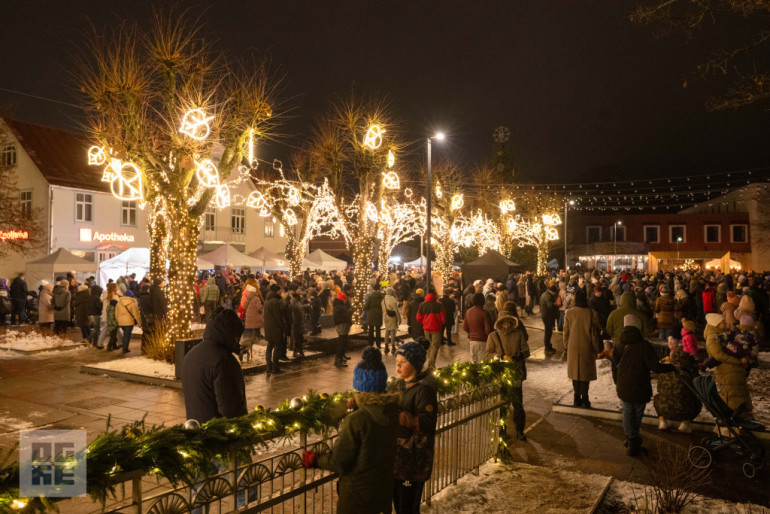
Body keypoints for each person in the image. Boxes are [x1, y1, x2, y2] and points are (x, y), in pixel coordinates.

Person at [302, 347, 399, 514]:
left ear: (359, 385)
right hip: (382, 494)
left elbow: (339, 461)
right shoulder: (393, 411)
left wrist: (315, 460)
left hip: (356, 498)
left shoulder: (357, 420)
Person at [611, 314, 675, 457]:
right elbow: (655, 367)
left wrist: (617, 381)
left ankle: (630, 437)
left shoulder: (619, 343)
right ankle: (633, 441)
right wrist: (671, 367)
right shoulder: (644, 345)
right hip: (640, 385)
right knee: (638, 412)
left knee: (627, 410)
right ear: (638, 328)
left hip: (624, 383)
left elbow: (614, 365)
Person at [392, 341, 438, 513]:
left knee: (408, 508)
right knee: (399, 505)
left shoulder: (424, 390)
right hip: (399, 460)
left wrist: (404, 418)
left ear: (415, 364)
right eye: (397, 362)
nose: (398, 366)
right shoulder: (400, 386)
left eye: (403, 362)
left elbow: (427, 420)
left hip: (413, 463)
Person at [181, 308, 247, 423]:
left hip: (196, 427)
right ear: (231, 334)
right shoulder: (223, 360)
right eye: (237, 337)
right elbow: (231, 409)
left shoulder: (191, 354)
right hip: (219, 429)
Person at [485, 312, 530, 440]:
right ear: (499, 324)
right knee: (502, 404)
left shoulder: (518, 334)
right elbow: (487, 354)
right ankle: (502, 430)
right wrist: (501, 357)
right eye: (504, 323)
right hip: (501, 375)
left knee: (518, 404)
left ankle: (520, 430)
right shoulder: (493, 336)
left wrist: (516, 357)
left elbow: (526, 351)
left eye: (509, 322)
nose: (507, 325)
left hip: (515, 374)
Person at [704, 313, 753, 417]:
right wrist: (738, 361)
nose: (726, 323)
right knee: (731, 394)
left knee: (739, 391)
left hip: (733, 370)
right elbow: (719, 355)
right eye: (723, 322)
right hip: (726, 371)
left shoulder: (724, 334)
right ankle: (732, 416)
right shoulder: (713, 337)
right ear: (716, 324)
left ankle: (742, 414)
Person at [654, 338, 702, 433]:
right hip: (683, 410)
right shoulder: (689, 374)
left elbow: (659, 389)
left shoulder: (665, 371)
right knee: (697, 402)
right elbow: (695, 391)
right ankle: (685, 423)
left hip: (664, 408)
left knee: (657, 398)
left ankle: (662, 421)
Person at [564, 289, 602, 408]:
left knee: (575, 373)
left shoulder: (569, 313)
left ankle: (576, 398)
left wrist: (566, 345)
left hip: (573, 346)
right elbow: (596, 331)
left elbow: (566, 332)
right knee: (585, 373)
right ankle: (585, 398)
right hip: (587, 346)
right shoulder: (592, 313)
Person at [416, 291, 446, 370]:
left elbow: (418, 317)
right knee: (435, 346)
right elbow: (443, 318)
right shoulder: (439, 304)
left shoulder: (422, 305)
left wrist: (425, 323)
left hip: (426, 329)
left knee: (429, 346)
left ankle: (429, 362)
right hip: (436, 328)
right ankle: (431, 365)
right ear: (435, 295)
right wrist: (440, 323)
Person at [463, 293, 493, 363]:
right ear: (483, 301)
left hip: (472, 342)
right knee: (482, 364)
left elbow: (465, 327)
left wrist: (471, 334)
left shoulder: (468, 312)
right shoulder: (484, 313)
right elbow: (488, 330)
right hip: (483, 342)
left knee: (473, 364)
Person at [263, 284, 286, 373]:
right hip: (276, 328)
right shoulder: (275, 301)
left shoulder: (267, 300)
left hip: (268, 327)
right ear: (277, 291)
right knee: (277, 347)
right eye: (280, 290)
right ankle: (275, 367)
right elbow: (279, 317)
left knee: (269, 347)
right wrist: (283, 328)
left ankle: (269, 367)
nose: (281, 292)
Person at [363, 282, 385, 348]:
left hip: (371, 316)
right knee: (378, 330)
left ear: (373, 289)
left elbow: (365, 307)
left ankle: (371, 344)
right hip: (378, 315)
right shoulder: (381, 297)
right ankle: (378, 344)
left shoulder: (370, 296)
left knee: (371, 330)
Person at [382, 287, 402, 354]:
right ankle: (393, 347)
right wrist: (399, 319)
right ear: (391, 292)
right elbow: (396, 310)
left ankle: (386, 346)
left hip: (386, 317)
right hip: (392, 318)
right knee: (393, 331)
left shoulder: (383, 300)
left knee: (387, 331)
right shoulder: (392, 300)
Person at [539, 285, 559, 354]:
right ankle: (547, 346)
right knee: (548, 332)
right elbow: (550, 306)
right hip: (548, 316)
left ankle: (548, 345)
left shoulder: (544, 294)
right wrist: (556, 305)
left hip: (545, 315)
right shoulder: (548, 296)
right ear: (552, 291)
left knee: (548, 331)